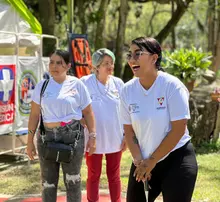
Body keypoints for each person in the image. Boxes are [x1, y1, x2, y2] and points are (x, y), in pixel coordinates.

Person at [120, 37, 198, 202]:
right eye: (129, 55)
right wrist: (140, 161)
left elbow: (179, 129)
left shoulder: (172, 86)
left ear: (154, 58)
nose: (132, 59)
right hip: (143, 161)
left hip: (177, 159)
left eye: (138, 54)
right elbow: (128, 131)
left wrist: (152, 161)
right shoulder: (127, 91)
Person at [26, 49, 96, 202]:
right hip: (47, 139)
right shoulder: (42, 86)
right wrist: (29, 141)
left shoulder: (77, 85)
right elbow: (34, 115)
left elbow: (89, 113)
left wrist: (92, 136)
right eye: (51, 62)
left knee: (73, 182)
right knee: (48, 184)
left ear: (68, 66)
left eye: (59, 63)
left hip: (73, 139)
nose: (54, 66)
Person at [81, 48, 126, 202]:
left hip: (115, 137)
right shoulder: (85, 83)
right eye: (106, 63)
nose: (110, 66)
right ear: (96, 66)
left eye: (111, 63)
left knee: (114, 175)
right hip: (93, 139)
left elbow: (126, 111)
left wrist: (126, 135)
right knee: (94, 175)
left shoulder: (118, 83)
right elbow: (76, 108)